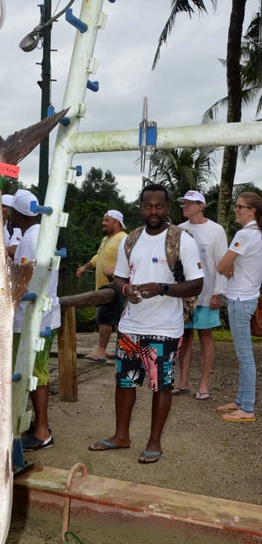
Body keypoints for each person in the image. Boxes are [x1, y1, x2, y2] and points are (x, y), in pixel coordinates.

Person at [89, 183, 203, 463]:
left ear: (167, 208)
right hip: (131, 326)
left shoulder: (182, 240)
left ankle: (154, 442)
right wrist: (125, 290)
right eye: (148, 206)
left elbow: (197, 284)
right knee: (124, 383)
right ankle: (121, 436)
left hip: (165, 328)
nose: (153, 211)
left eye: (159, 206)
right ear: (140, 208)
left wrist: (163, 288)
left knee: (161, 386)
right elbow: (118, 277)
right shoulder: (132, 239)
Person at [10, 189, 59, 451]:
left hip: (31, 318)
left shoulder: (30, 241)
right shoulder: (42, 233)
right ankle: (37, 426)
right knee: (35, 372)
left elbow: (24, 280)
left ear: (19, 215)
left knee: (35, 374)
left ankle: (41, 432)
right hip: (44, 315)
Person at [173, 190, 228, 400]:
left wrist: (219, 293)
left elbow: (222, 262)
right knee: (184, 337)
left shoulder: (216, 230)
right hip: (185, 295)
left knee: (206, 338)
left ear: (201, 206)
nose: (186, 205)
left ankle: (204, 385)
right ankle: (183, 381)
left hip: (207, 293)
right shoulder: (178, 230)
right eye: (184, 202)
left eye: (191, 202)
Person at [214, 191, 262, 421]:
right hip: (247, 296)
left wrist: (226, 267)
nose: (236, 209)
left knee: (244, 355)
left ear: (252, 210)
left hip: (241, 299)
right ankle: (242, 400)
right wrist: (228, 266)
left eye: (240, 207)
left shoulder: (245, 234)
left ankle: (248, 408)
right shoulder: (256, 234)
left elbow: (221, 264)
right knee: (243, 354)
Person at [75, 209, 128, 363]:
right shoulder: (106, 239)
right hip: (104, 287)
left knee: (106, 318)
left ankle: (101, 351)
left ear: (117, 223)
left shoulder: (123, 239)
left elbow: (132, 258)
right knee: (114, 318)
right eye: (103, 220)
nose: (103, 223)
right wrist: (85, 267)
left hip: (115, 287)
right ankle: (119, 348)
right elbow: (99, 257)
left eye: (106, 220)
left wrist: (116, 268)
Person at [2, 193, 22, 259]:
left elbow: (14, 250)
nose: (1, 209)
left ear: (10, 210)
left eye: (4, 206)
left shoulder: (14, 229)